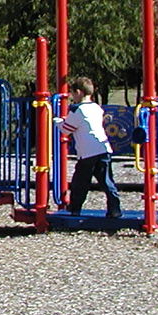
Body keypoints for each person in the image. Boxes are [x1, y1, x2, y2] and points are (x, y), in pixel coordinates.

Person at [58, 76, 122, 218]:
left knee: (80, 182)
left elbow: (66, 129)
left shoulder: (78, 110)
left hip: (87, 152)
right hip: (103, 148)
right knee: (107, 181)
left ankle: (74, 209)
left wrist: (56, 120)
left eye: (73, 93)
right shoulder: (96, 108)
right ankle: (115, 209)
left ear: (79, 92)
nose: (72, 97)